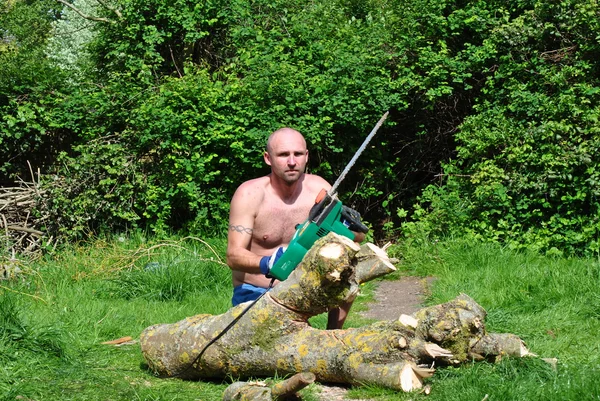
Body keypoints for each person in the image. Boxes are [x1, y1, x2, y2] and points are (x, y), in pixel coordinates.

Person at [226, 127, 365, 329]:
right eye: (283, 155)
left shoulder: (320, 189)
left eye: (298, 154)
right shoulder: (249, 194)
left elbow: (354, 237)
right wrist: (268, 262)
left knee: (347, 269)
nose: (292, 162)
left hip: (305, 288)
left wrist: (347, 230)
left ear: (306, 156)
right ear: (268, 158)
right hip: (256, 292)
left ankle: (333, 336)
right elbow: (233, 256)